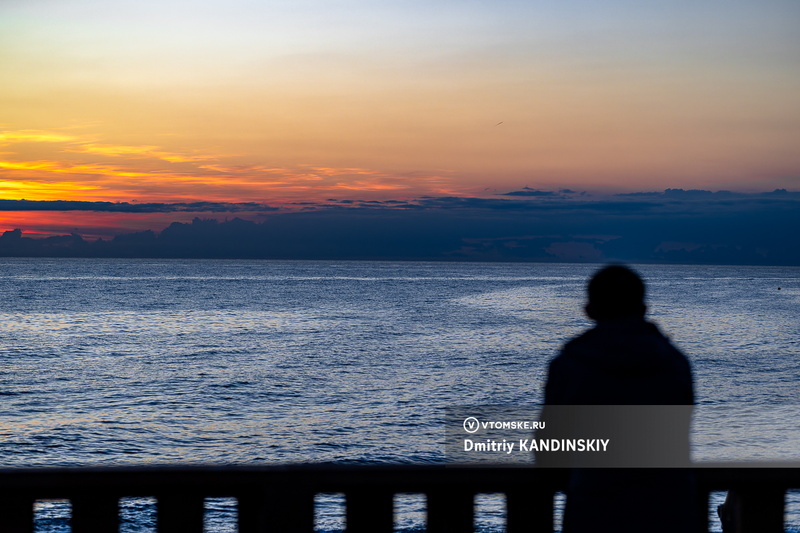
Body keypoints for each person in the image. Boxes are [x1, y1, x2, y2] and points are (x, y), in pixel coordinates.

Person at [539, 264, 700, 533]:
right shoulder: (675, 363)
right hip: (670, 511)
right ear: (643, 308)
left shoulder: (569, 366)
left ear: (589, 310)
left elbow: (550, 451)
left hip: (593, 511)